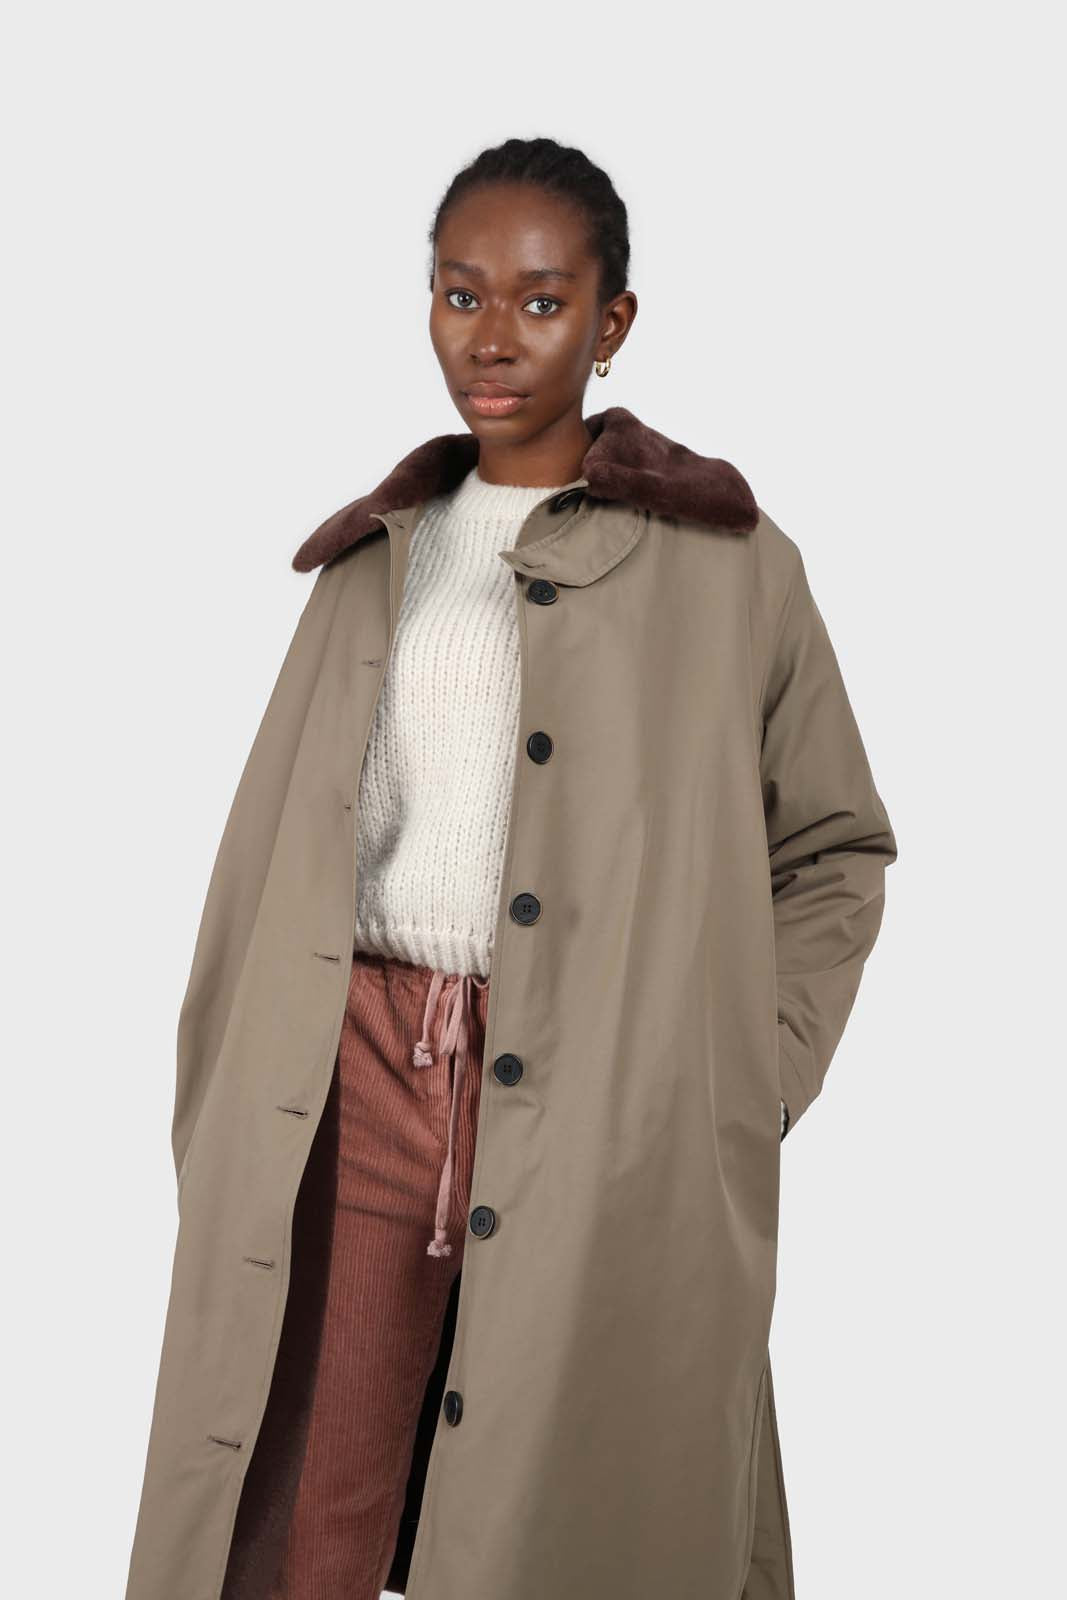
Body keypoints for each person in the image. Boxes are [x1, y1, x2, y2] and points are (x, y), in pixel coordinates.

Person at [125, 136, 897, 1600]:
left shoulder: (731, 566)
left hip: (610, 1096)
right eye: (460, 293)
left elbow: (834, 844)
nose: (492, 337)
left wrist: (748, 1072)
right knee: (302, 1515)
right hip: (360, 1074)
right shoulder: (375, 557)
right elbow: (281, 852)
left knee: (573, 1512)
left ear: (612, 322)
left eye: (541, 302)